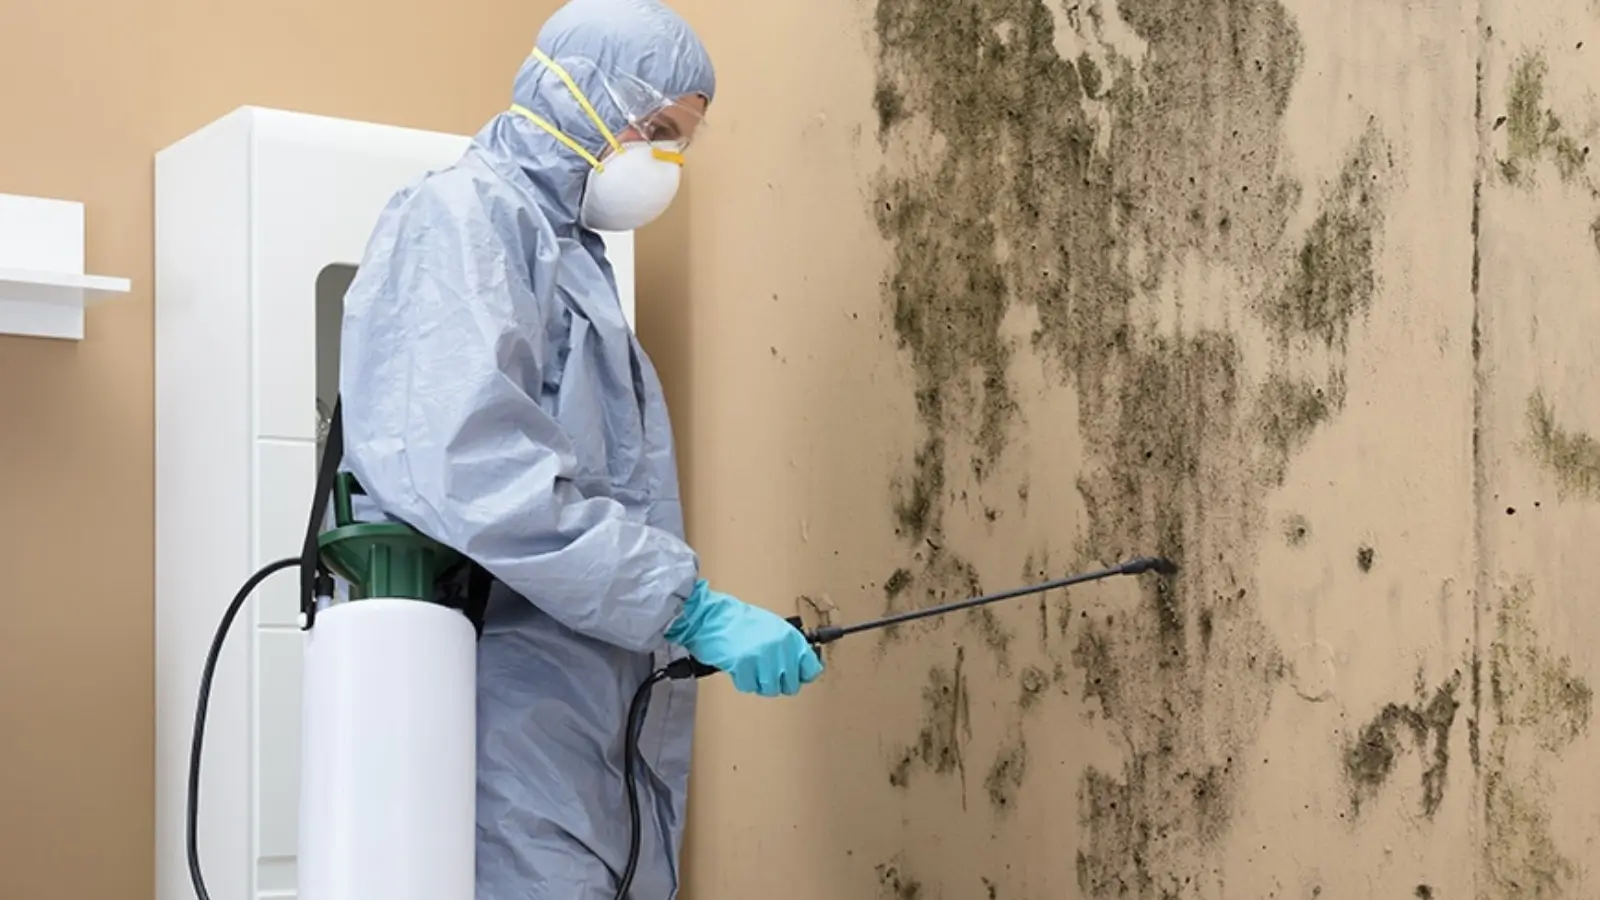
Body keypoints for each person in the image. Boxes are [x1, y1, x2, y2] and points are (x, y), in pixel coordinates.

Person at [334, 0, 826, 896]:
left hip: (577, 727)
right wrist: (684, 607)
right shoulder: (464, 218)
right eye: (658, 131)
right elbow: (473, 469)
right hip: (499, 719)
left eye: (681, 142)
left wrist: (678, 619)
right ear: (583, 96)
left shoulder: (568, 253)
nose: (666, 162)